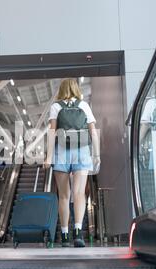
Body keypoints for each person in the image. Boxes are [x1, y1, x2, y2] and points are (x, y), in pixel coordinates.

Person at [44, 78, 100, 248]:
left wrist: (48, 157)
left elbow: (52, 132)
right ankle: (78, 233)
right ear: (76, 89)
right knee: (79, 194)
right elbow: (93, 132)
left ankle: (65, 234)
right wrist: (96, 154)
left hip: (61, 152)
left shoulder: (56, 106)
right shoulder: (84, 106)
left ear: (61, 90)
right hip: (82, 151)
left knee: (63, 196)